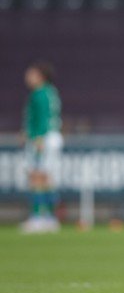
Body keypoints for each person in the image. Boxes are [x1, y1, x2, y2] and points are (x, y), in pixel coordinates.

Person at [21, 61, 63, 233]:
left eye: (31, 73)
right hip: (52, 136)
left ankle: (38, 217)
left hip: (43, 137)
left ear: (40, 76)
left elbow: (42, 117)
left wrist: (38, 137)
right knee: (46, 178)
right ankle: (50, 218)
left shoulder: (39, 93)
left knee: (36, 177)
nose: (27, 77)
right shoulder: (51, 92)